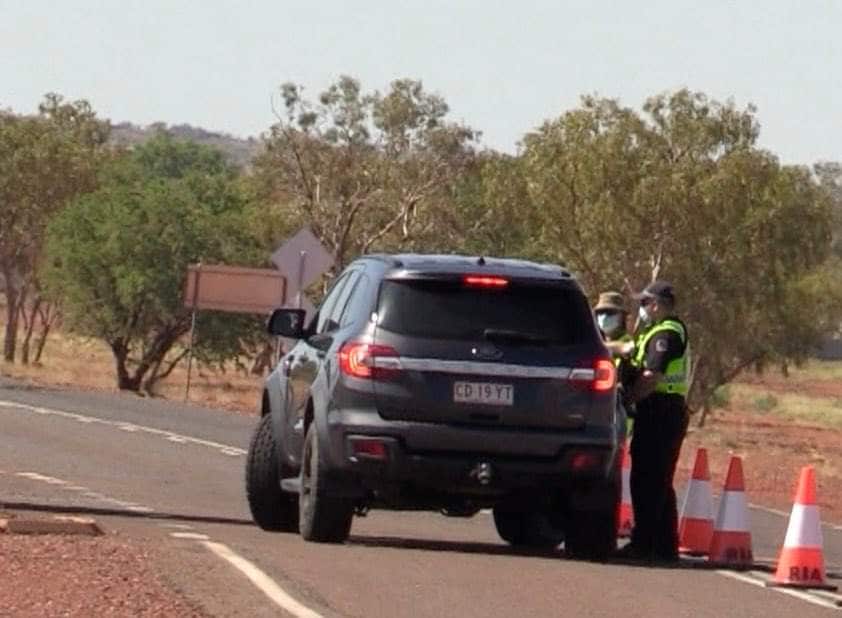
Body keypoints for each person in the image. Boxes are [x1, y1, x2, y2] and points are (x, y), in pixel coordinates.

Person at [618, 280, 690, 563]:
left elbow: (652, 376)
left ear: (657, 305)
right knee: (658, 480)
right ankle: (663, 546)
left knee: (648, 480)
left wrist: (628, 399)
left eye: (644, 303)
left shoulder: (666, 334)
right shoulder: (654, 331)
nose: (642, 308)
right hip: (661, 412)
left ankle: (644, 544)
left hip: (661, 411)